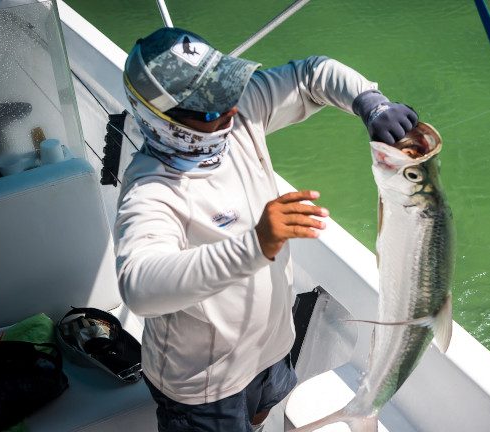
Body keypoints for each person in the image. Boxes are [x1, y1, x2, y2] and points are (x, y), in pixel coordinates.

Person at [114, 27, 418, 432]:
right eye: (209, 108)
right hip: (206, 387)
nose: (230, 110)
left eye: (227, 90)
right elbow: (140, 287)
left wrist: (370, 103)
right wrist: (255, 244)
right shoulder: (151, 190)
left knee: (261, 415)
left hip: (272, 348)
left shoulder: (241, 111)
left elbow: (312, 75)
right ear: (164, 122)